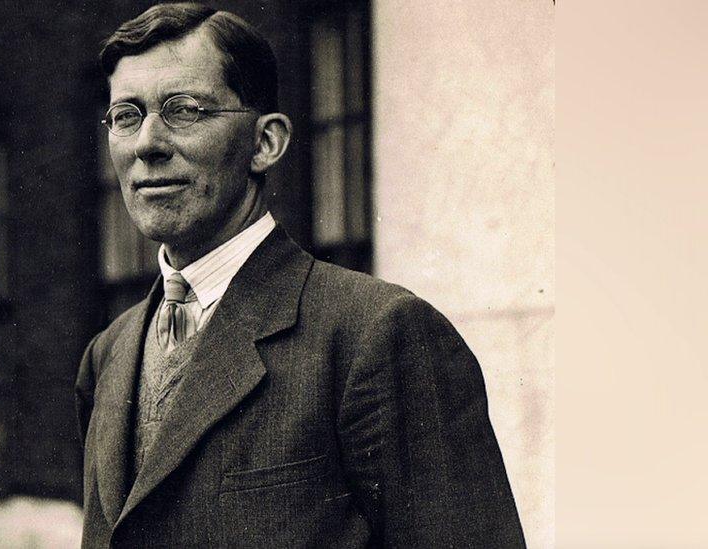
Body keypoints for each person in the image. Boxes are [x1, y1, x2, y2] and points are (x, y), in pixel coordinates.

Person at [75, 3, 525, 547]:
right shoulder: (109, 354)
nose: (146, 143)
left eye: (183, 110)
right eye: (126, 116)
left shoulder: (377, 334)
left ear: (266, 143)